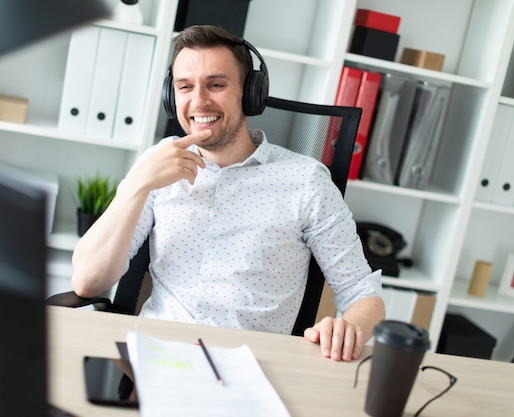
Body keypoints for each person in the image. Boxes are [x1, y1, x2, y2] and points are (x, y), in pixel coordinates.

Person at [72, 25, 384, 362]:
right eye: (185, 86)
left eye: (216, 85)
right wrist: (137, 186)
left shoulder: (306, 181)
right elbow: (88, 283)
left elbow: (363, 293)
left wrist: (349, 327)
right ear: (171, 95)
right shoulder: (157, 165)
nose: (199, 101)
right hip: (157, 362)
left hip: (252, 370)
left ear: (251, 93)